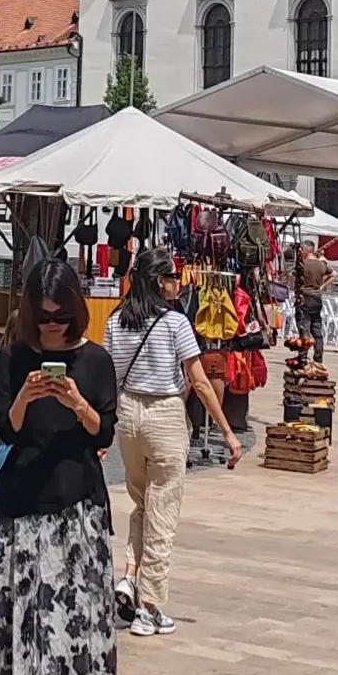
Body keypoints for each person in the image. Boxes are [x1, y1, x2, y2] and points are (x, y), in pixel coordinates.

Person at [0, 262, 118, 675]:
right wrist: (25, 399)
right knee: (25, 622)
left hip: (78, 504)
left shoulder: (95, 360)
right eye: (43, 317)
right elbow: (7, 431)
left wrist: (77, 402)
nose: (51, 327)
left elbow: (103, 433)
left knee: (79, 624)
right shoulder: (14, 358)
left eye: (60, 317)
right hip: (23, 503)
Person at [106, 250, 240, 637]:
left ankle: (129, 577)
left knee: (142, 503)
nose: (178, 284)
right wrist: (227, 432)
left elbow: (109, 377)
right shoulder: (176, 322)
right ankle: (150, 607)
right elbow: (200, 382)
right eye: (173, 277)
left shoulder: (116, 321)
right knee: (162, 510)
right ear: (159, 281)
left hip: (129, 415)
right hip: (164, 415)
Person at [294, 242, 334, 358]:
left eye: (301, 250)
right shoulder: (321, 264)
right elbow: (334, 274)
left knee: (304, 329)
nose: (300, 252)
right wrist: (322, 286)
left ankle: (302, 357)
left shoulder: (303, 264)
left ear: (306, 250)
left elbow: (293, 275)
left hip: (304, 298)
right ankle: (318, 357)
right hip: (316, 299)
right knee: (317, 329)